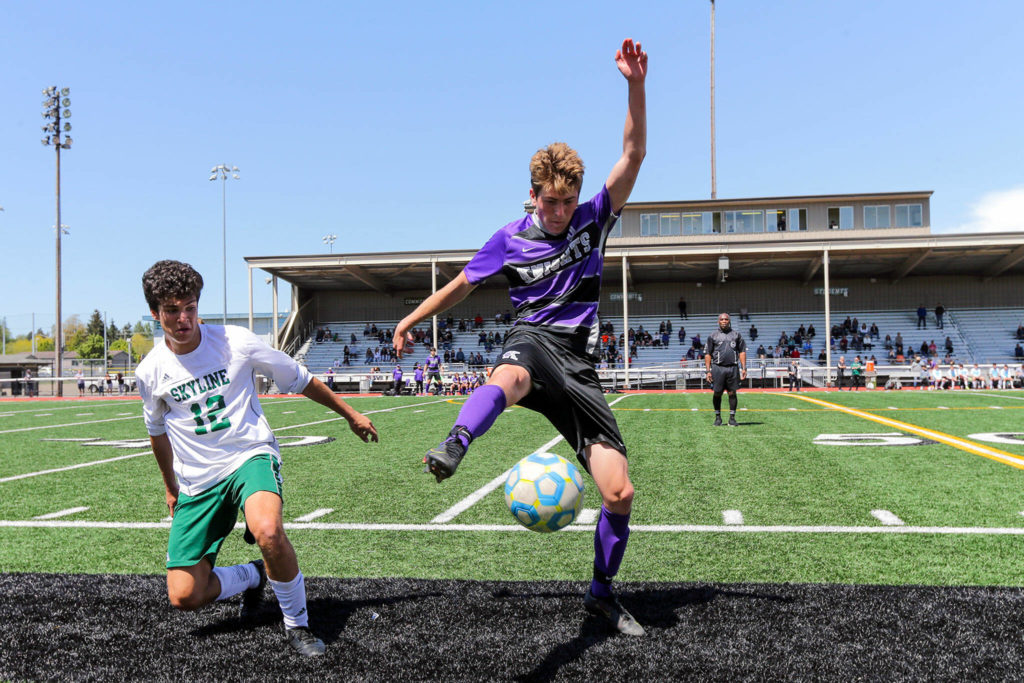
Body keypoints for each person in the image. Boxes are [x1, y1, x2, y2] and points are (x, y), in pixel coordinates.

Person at [392, 39, 648, 637]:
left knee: (619, 493)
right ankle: (455, 444)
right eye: (549, 200)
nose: (558, 211)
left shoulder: (594, 218)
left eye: (566, 201)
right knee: (507, 376)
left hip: (578, 366)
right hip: (531, 340)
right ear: (532, 194)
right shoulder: (508, 238)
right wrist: (410, 320)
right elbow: (459, 285)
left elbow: (632, 155)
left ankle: (601, 594)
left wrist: (635, 85)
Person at [136, 260, 378, 657]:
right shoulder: (150, 372)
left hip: (250, 454)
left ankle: (297, 624)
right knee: (185, 595)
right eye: (172, 310)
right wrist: (170, 486)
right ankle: (251, 575)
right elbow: (157, 432)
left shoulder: (236, 342)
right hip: (198, 480)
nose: (184, 319)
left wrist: (350, 414)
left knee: (267, 529)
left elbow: (300, 379)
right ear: (155, 312)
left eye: (191, 307)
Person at [704, 313, 748, 426]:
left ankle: (732, 418)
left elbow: (742, 352)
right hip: (717, 368)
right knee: (717, 393)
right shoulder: (712, 336)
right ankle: (718, 417)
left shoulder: (736, 335)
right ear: (718, 321)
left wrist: (744, 368)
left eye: (726, 319)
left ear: (729, 321)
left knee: (732, 393)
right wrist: (708, 371)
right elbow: (708, 354)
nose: (724, 321)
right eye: (722, 319)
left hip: (733, 368)